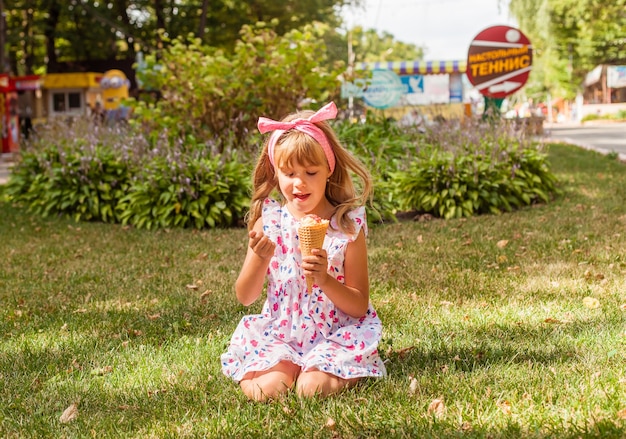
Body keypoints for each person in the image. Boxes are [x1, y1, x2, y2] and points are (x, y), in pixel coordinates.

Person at [221, 102, 386, 401]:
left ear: (328, 171)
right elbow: (245, 296)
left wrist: (324, 279)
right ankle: (287, 368)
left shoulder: (347, 227)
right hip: (281, 334)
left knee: (310, 390)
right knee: (267, 390)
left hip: (335, 334)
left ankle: (333, 368)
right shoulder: (269, 221)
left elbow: (359, 305)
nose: (299, 183)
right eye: (288, 173)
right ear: (275, 174)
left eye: (311, 172)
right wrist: (259, 258)